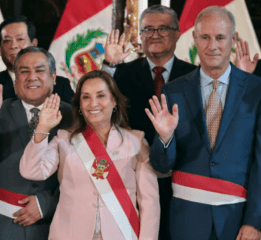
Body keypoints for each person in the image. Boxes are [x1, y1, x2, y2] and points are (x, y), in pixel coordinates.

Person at [146, 6, 261, 240]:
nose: (213, 46)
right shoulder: (172, 90)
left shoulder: (256, 90)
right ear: (195, 39)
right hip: (187, 221)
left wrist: (255, 222)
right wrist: (165, 138)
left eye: (220, 37)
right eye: (205, 37)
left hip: (237, 221)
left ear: (232, 39)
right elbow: (160, 166)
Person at [19, 70, 159, 239]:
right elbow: (31, 171)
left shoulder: (135, 141)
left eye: (101, 95)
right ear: (79, 105)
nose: (93, 103)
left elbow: (150, 203)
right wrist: (43, 128)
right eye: (85, 97)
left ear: (114, 101)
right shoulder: (64, 140)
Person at [103, 6, 196, 239]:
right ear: (141, 36)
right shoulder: (121, 72)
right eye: (148, 29)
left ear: (177, 33)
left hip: (181, 184)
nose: (154, 34)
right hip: (133, 181)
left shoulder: (196, 75)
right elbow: (98, 107)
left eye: (162, 29)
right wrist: (109, 65)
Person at [0, 46, 73, 240]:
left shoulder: (72, 117)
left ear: (54, 76)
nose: (32, 77)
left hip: (56, 227)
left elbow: (83, 175)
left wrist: (46, 204)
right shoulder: (0, 109)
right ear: (15, 82)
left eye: (40, 70)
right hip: (4, 228)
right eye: (24, 71)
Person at [0, 16, 75, 103]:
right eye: (7, 41)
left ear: (34, 44)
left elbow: (74, 115)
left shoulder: (60, 84)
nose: (13, 46)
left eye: (20, 39)